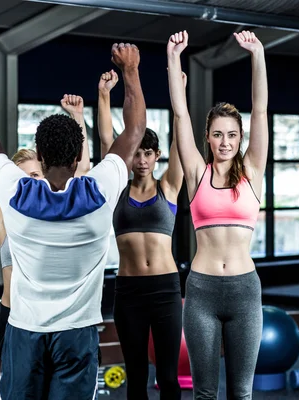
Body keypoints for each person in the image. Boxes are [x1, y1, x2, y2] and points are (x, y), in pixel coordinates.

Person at [0, 43, 146, 399]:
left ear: (41, 154)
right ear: (79, 152)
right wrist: (130, 71)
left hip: (25, 330)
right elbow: (135, 129)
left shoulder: (16, 192)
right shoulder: (100, 189)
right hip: (77, 333)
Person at [167, 30, 268, 399]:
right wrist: (173, 56)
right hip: (202, 291)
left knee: (241, 394)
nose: (225, 142)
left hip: (244, 291)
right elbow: (179, 113)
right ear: (207, 138)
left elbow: (260, 110)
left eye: (232, 135)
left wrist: (257, 54)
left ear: (241, 138)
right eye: (217, 134)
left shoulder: (253, 171)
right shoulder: (197, 174)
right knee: (205, 393)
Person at [0, 94, 91, 357]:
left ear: (46, 174)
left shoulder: (62, 208)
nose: (31, 182)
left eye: (35, 175)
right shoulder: (4, 216)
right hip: (14, 317)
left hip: (57, 320)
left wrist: (77, 118)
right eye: (23, 178)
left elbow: (81, 169)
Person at [98, 68, 185, 399]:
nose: (142, 159)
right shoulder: (118, 189)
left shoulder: (170, 187)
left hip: (165, 289)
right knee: (136, 376)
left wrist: (178, 91)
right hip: (129, 292)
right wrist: (104, 95)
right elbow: (108, 141)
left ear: (157, 156)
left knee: (167, 376)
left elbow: (182, 137)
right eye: (136, 153)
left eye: (148, 153)